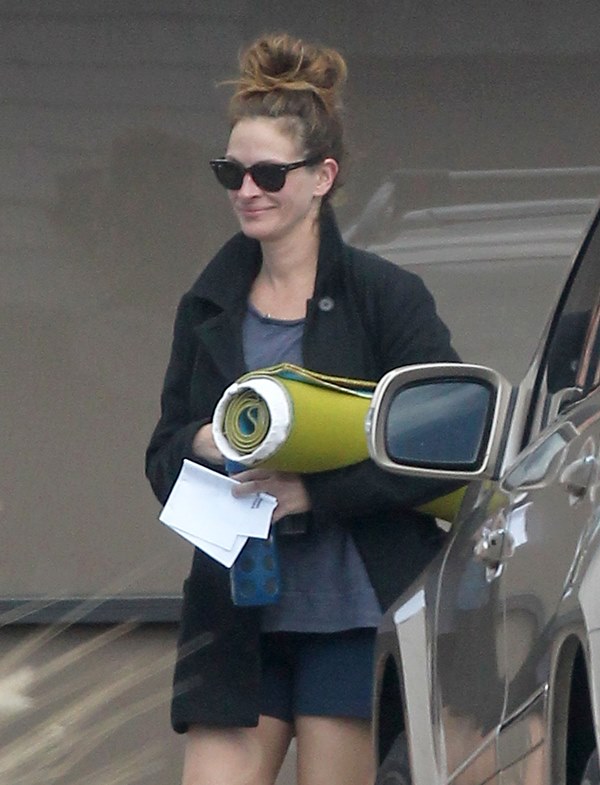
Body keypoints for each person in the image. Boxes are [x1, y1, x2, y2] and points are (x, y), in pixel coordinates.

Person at [145, 32, 460, 785]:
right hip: (236, 615)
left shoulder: (384, 297)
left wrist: (315, 492)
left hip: (353, 612)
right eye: (231, 172)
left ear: (323, 176)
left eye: (267, 173)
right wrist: (207, 442)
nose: (247, 190)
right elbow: (161, 456)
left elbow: (448, 442)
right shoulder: (209, 304)